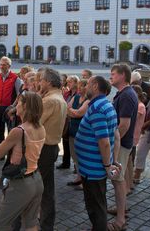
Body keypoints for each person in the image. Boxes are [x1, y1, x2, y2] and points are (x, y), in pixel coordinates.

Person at [0, 91, 46, 231]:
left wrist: (9, 134)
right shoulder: (41, 128)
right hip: (36, 179)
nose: (16, 106)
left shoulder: (18, 131)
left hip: (21, 184)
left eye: (19, 103)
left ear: (26, 106)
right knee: (31, 223)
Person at [75, 76, 120, 231]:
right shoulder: (107, 105)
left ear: (95, 86)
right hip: (93, 167)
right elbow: (116, 135)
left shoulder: (96, 108)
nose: (85, 87)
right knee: (97, 203)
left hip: (93, 169)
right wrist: (113, 161)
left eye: (87, 84)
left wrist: (108, 165)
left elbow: (105, 142)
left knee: (96, 206)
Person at [108, 64, 138, 231]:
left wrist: (113, 144)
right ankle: (121, 209)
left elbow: (124, 125)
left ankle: (120, 220)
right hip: (122, 143)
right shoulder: (124, 93)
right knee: (116, 180)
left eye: (113, 74)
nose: (110, 76)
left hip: (121, 145)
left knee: (118, 180)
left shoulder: (127, 95)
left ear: (122, 76)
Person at [38, 68, 67, 231]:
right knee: (46, 188)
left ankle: (46, 224)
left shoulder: (50, 100)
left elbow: (34, 123)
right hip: (51, 146)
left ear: (48, 82)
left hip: (45, 148)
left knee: (45, 189)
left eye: (41, 80)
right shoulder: (57, 97)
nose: (40, 82)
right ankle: (44, 221)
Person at [0, 57, 22, 154]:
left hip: (10, 109)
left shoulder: (15, 78)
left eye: (4, 64)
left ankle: (11, 154)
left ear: (9, 66)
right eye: (1, 64)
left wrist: (14, 108)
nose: (2, 66)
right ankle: (0, 153)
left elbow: (20, 94)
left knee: (11, 132)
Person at [66, 79, 90, 187]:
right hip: (72, 130)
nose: (79, 88)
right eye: (79, 86)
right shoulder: (75, 97)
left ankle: (84, 180)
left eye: (82, 86)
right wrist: (73, 112)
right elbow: (67, 109)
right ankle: (79, 177)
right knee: (74, 155)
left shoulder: (88, 100)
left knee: (82, 157)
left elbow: (79, 114)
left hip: (82, 133)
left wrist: (72, 112)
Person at [126, 85, 146, 192]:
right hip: (131, 135)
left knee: (129, 160)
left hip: (133, 136)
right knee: (128, 160)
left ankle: (129, 183)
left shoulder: (140, 106)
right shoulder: (136, 104)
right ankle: (130, 182)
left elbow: (132, 118)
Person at [58, 75, 79, 170]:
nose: (68, 84)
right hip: (66, 120)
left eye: (70, 82)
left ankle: (76, 167)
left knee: (74, 144)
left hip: (74, 120)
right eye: (67, 82)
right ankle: (65, 162)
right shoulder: (67, 93)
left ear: (76, 83)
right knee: (65, 141)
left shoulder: (79, 94)